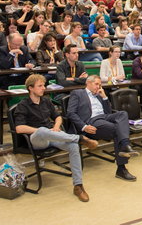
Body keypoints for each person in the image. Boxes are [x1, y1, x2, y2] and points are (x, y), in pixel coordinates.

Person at [14, 74, 98, 202]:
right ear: (30, 88)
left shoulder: (46, 101)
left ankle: (78, 186)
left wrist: (57, 126)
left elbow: (58, 117)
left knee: (73, 147)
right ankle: (78, 138)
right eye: (40, 86)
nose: (43, 88)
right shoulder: (23, 105)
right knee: (42, 130)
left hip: (53, 136)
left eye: (44, 85)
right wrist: (42, 131)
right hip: (36, 140)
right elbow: (19, 128)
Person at [67, 75, 139, 181]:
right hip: (91, 121)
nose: (99, 87)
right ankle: (121, 167)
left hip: (104, 118)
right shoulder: (77, 93)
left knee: (122, 114)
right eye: (96, 84)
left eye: (100, 85)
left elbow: (108, 113)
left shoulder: (100, 95)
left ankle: (125, 144)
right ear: (88, 83)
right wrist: (84, 126)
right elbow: (70, 113)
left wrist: (104, 97)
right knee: (118, 129)